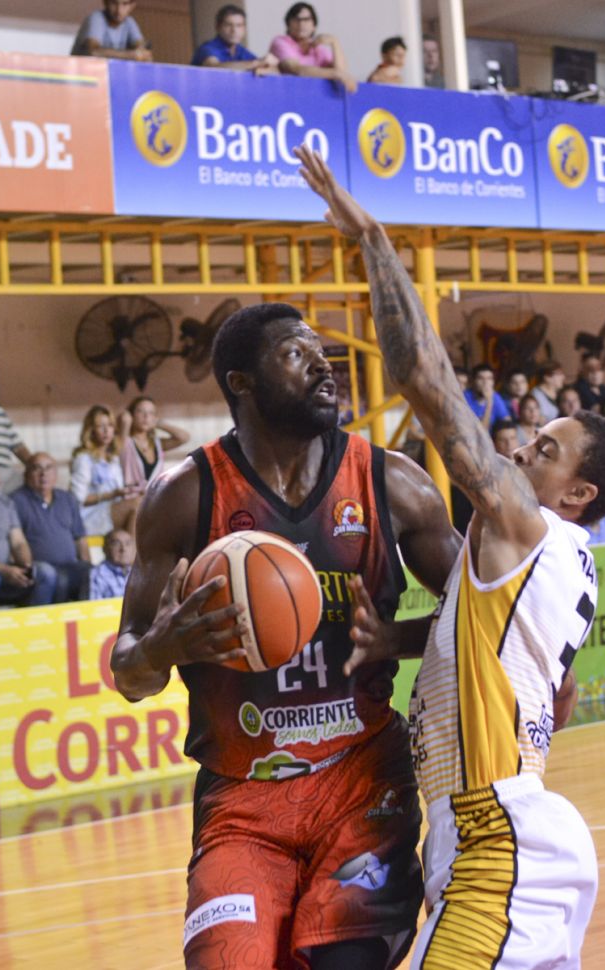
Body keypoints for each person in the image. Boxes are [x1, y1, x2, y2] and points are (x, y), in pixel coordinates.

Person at [296, 144, 605, 970]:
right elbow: (541, 686)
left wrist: (371, 239)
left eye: (545, 449)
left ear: (577, 492)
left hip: (497, 844)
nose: (520, 449)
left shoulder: (524, 525)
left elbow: (422, 378)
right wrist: (399, 640)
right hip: (500, 837)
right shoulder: (555, 561)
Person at [111, 298, 460, 968]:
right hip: (241, 802)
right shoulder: (185, 494)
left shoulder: (393, 482)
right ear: (240, 382)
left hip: (362, 785)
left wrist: (397, 639)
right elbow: (129, 672)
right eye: (296, 354)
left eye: (322, 354)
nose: (323, 367)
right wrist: (162, 647)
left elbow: (489, 616)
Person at [12, 453, 91, 603]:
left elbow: (80, 538)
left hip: (70, 566)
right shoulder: (15, 501)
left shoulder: (68, 499)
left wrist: (87, 564)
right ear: (26, 474)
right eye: (37, 468)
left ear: (56, 474)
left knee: (93, 574)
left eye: (49, 468)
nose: (43, 474)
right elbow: (15, 543)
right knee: (57, 578)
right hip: (40, 569)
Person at [70, 405, 140, 539]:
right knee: (136, 504)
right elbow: (77, 499)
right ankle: (132, 550)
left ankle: (131, 547)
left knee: (144, 501)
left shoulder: (112, 458)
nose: (106, 430)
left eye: (110, 425)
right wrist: (112, 494)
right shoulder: (83, 459)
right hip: (90, 517)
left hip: (110, 510)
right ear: (91, 430)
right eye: (100, 426)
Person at [0, 462, 56, 607]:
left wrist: (26, 566)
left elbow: (18, 542)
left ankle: (37, 620)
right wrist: (4, 570)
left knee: (45, 572)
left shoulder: (5, 503)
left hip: (5, 570)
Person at [269, 3, 357, 93]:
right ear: (288, 24)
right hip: (287, 94)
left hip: (314, 96)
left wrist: (335, 43)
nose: (301, 24)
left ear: (314, 25)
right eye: (296, 19)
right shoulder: (281, 42)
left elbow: (342, 74)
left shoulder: (318, 48)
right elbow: (295, 69)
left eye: (306, 19)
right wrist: (334, 73)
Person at [118, 396, 190, 496]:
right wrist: (125, 423)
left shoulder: (157, 443)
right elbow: (120, 448)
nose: (146, 416)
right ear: (132, 415)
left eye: (151, 413)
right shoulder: (125, 441)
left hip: (154, 499)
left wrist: (158, 423)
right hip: (131, 499)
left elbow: (184, 437)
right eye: (140, 411)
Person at [191, 4, 277, 74]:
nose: (234, 30)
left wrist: (264, 67)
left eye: (239, 25)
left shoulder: (240, 50)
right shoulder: (208, 48)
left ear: (244, 29)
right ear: (218, 27)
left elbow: (273, 70)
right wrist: (256, 63)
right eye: (228, 25)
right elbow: (214, 67)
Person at [71, 0, 152, 60]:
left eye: (125, 4)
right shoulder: (96, 18)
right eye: (114, 3)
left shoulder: (129, 22)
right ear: (105, 2)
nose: (119, 10)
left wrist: (141, 52)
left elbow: (143, 52)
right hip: (80, 75)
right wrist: (130, 55)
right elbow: (92, 52)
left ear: (132, 5)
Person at [463, 363, 511, 431]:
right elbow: (481, 432)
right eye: (480, 378)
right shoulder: (464, 398)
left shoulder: (495, 397)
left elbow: (507, 423)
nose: (485, 383)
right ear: (473, 381)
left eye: (489, 378)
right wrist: (489, 402)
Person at [90, 528, 135, 599]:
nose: (123, 549)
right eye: (116, 544)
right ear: (105, 549)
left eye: (128, 543)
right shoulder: (96, 574)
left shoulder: (139, 573)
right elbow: (93, 604)